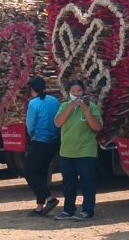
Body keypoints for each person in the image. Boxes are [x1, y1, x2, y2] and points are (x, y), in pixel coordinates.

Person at [53, 80, 103, 221]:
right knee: (68, 182)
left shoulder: (92, 107)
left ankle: (88, 210)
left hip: (85, 151)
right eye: (73, 92)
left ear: (84, 91)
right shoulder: (64, 106)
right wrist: (70, 107)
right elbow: (58, 123)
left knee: (87, 182)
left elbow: (97, 127)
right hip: (67, 152)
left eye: (79, 91)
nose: (76, 94)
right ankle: (68, 210)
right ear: (69, 93)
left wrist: (86, 110)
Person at [24, 76, 61, 217]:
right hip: (53, 142)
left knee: (29, 172)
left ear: (32, 89)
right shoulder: (54, 101)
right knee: (41, 172)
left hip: (39, 141)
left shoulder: (34, 104)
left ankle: (49, 198)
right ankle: (40, 206)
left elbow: (30, 125)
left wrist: (33, 135)